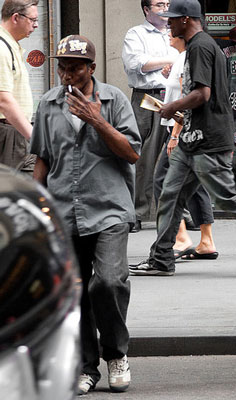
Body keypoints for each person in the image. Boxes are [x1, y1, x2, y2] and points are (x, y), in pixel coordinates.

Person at [129, 0, 236, 277]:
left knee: (228, 197)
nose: (168, 24)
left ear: (186, 19)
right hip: (193, 139)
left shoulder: (200, 46)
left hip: (208, 141)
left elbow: (202, 94)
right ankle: (161, 258)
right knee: (170, 196)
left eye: (172, 19)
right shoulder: (203, 45)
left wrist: (172, 107)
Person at [30, 35, 141, 394]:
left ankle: (116, 354)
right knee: (73, 292)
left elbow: (132, 153)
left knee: (108, 282)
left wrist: (97, 121)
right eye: (62, 68)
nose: (67, 75)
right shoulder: (47, 104)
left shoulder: (114, 101)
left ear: (91, 69)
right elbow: (43, 158)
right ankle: (85, 366)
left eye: (75, 68)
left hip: (108, 208)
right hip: (63, 209)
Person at [152, 30, 217, 260]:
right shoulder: (181, 59)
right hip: (183, 129)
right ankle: (205, 240)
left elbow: (186, 97)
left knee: (163, 181)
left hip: (180, 129)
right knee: (195, 183)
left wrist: (175, 135)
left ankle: (181, 237)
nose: (169, 33)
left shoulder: (186, 58)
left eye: (172, 29)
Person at [122, 0, 179, 232]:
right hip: (149, 98)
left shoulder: (176, 32)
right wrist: (170, 61)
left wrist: (170, 64)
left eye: (167, 3)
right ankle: (137, 212)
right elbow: (137, 64)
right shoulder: (136, 34)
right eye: (159, 4)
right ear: (146, 9)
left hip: (177, 97)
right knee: (145, 155)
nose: (165, 8)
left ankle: (183, 214)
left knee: (180, 155)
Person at [0, 0, 38, 173]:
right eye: (32, 20)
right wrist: (34, 137)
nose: (36, 25)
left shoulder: (11, 45)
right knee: (11, 192)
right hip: (8, 133)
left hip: (16, 131)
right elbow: (3, 100)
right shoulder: (1, 48)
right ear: (16, 18)